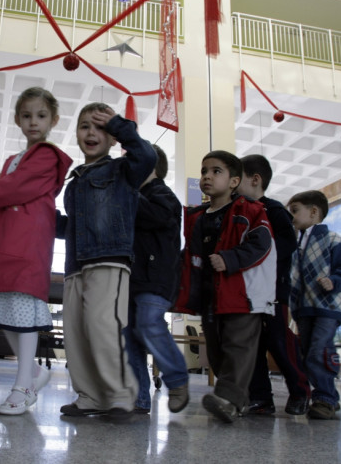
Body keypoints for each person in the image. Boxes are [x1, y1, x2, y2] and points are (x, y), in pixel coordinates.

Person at [0, 87, 72, 415]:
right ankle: (32, 371)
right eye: (27, 115)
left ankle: (24, 387)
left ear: (54, 120)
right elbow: (0, 201)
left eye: (41, 115)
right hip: (3, 241)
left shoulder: (47, 155)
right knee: (2, 308)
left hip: (28, 244)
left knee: (22, 312)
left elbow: (12, 190)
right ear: (17, 120)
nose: (34, 122)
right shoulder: (12, 160)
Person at [56, 103, 156, 420]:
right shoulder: (73, 184)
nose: (91, 132)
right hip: (75, 265)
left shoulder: (122, 171)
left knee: (103, 327)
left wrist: (119, 125)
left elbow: (147, 155)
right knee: (76, 332)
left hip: (108, 260)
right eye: (85, 125)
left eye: (100, 127)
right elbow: (71, 227)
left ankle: (120, 396)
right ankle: (90, 396)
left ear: (113, 138)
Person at [182, 150, 277, 423]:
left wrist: (229, 259)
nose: (207, 176)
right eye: (204, 171)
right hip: (211, 296)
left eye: (216, 171)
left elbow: (261, 244)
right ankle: (235, 401)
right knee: (215, 348)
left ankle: (228, 398)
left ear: (235, 181)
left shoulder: (251, 211)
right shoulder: (196, 217)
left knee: (239, 345)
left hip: (242, 294)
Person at [237, 154, 310, 416]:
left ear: (255, 180)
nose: (233, 183)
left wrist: (255, 253)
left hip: (273, 292)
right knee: (253, 345)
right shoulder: (238, 211)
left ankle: (300, 390)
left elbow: (285, 246)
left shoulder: (275, 210)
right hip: (247, 293)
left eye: (238, 178)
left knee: (279, 342)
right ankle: (260, 397)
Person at [123, 144, 189, 415]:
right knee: (129, 336)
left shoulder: (162, 194)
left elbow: (158, 217)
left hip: (157, 277)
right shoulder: (136, 195)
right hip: (133, 277)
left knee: (150, 323)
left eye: (132, 162)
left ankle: (177, 379)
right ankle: (139, 398)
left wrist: (128, 194)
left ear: (149, 167)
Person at [288, 190, 341, 420]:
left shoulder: (334, 239)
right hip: (303, 308)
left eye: (295, 211)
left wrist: (333, 282)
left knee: (320, 349)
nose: (292, 216)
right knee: (307, 351)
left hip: (328, 307)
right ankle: (327, 395)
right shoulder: (295, 246)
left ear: (314, 212)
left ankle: (324, 398)